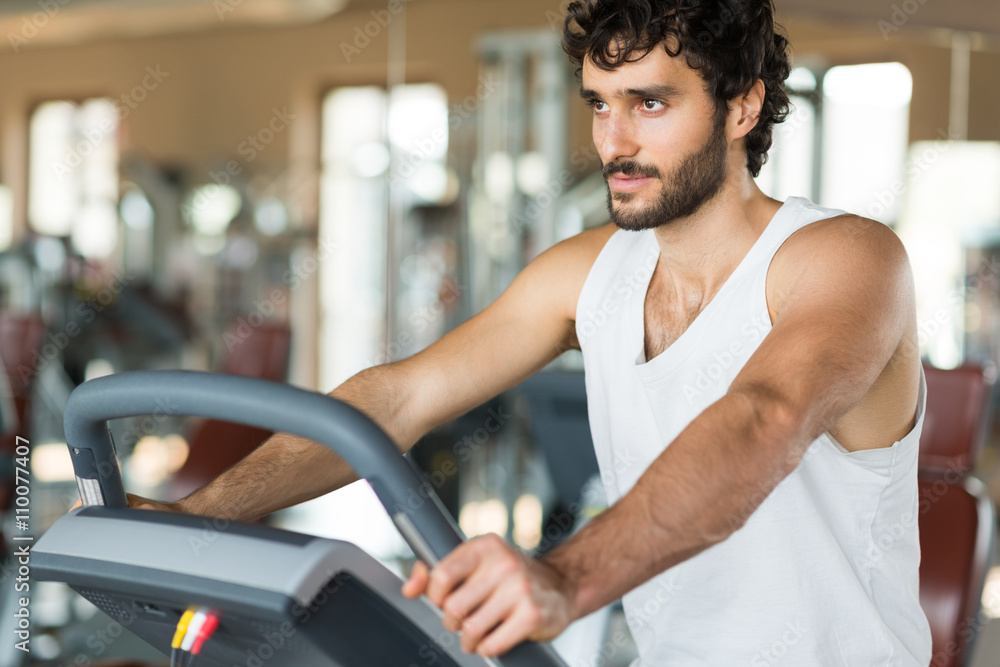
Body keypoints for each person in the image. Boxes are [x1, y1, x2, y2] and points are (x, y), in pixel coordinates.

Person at [125, 0, 932, 664]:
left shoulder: (847, 259)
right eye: (600, 105)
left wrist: (562, 579)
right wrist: (203, 514)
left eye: (650, 103)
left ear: (743, 105)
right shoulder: (590, 271)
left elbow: (765, 420)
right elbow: (402, 396)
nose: (614, 141)